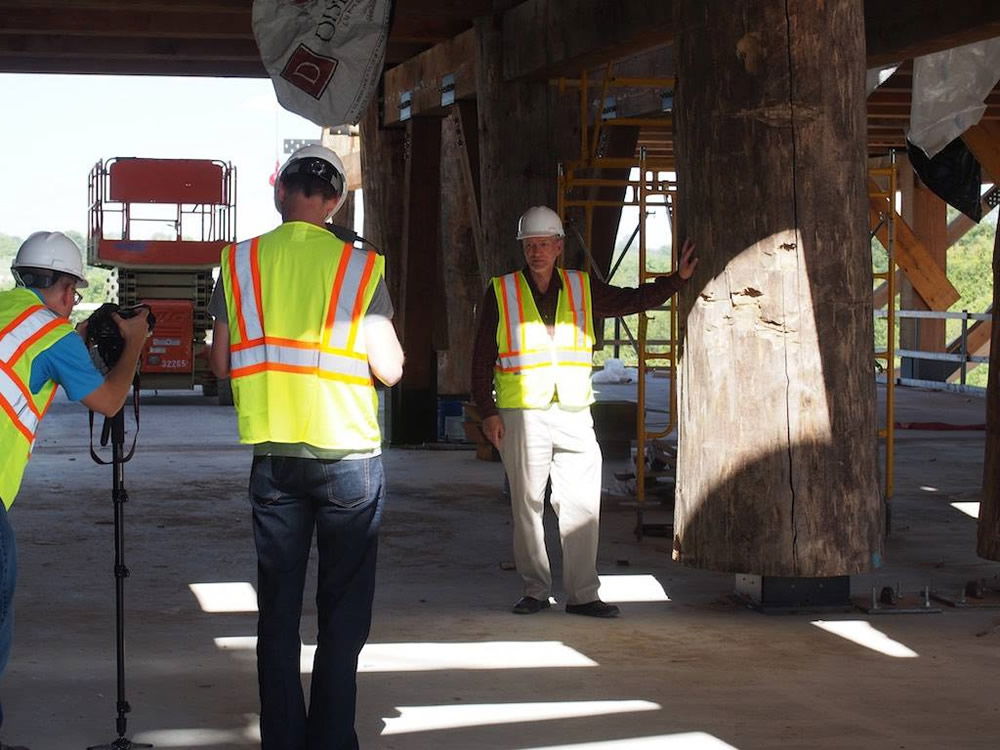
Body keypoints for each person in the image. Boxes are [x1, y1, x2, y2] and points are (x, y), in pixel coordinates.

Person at [208, 144, 404, 750]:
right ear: (337, 201)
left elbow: (219, 363)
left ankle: (283, 739)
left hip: (274, 459)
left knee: (278, 610)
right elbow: (391, 369)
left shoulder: (239, 264)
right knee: (343, 612)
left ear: (280, 191)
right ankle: (331, 738)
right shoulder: (359, 266)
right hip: (348, 458)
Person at [471, 206, 698, 618]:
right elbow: (481, 355)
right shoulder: (501, 291)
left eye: (544, 244)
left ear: (559, 247)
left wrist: (676, 281)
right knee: (526, 504)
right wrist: (487, 412)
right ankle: (535, 590)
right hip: (522, 411)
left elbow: (632, 300)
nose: (537, 251)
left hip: (574, 410)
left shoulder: (582, 287)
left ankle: (583, 594)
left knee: (581, 504)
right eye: (530, 245)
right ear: (523, 247)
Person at [0, 231, 149, 749]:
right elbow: (109, 401)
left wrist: (80, 334)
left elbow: (28, 355)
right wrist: (131, 343)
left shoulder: (10, 314)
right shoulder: (51, 335)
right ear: (63, 288)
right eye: (73, 292)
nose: (72, 303)